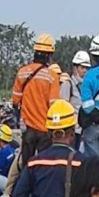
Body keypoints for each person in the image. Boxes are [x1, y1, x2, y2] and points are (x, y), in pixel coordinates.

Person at [12, 33, 60, 166]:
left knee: (27, 165)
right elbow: (54, 106)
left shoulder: (22, 72)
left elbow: (15, 101)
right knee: (44, 165)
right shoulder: (52, 76)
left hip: (28, 129)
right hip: (45, 130)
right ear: (49, 55)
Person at [59, 51, 91, 150]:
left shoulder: (87, 86)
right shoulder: (68, 84)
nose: (85, 71)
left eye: (87, 68)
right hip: (72, 132)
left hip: (84, 131)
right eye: (82, 67)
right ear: (75, 68)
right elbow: (62, 108)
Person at [0, 124, 17, 193]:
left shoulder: (4, 152)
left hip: (6, 181)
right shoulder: (10, 149)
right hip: (11, 179)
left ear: (0, 139)